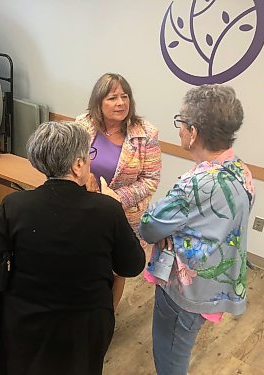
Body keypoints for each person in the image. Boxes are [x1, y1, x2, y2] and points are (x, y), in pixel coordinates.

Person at [0, 121, 146, 375]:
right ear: (77, 165)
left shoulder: (15, 205)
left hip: (24, 322)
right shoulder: (107, 210)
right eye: (88, 155)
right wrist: (114, 204)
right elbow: (132, 265)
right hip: (85, 326)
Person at [139, 84, 254, 375]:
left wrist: (166, 229)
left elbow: (149, 227)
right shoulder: (240, 170)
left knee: (170, 358)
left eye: (181, 122)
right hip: (214, 282)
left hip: (186, 291)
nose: (178, 129)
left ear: (193, 133)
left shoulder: (197, 184)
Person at [75, 73, 162, 310]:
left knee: (116, 268)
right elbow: (71, 161)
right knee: (86, 262)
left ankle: (107, 315)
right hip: (85, 210)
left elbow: (151, 178)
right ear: (99, 102)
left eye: (125, 97)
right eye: (113, 97)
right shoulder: (83, 124)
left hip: (123, 215)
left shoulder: (146, 133)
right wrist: (87, 176)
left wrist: (117, 198)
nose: (121, 103)